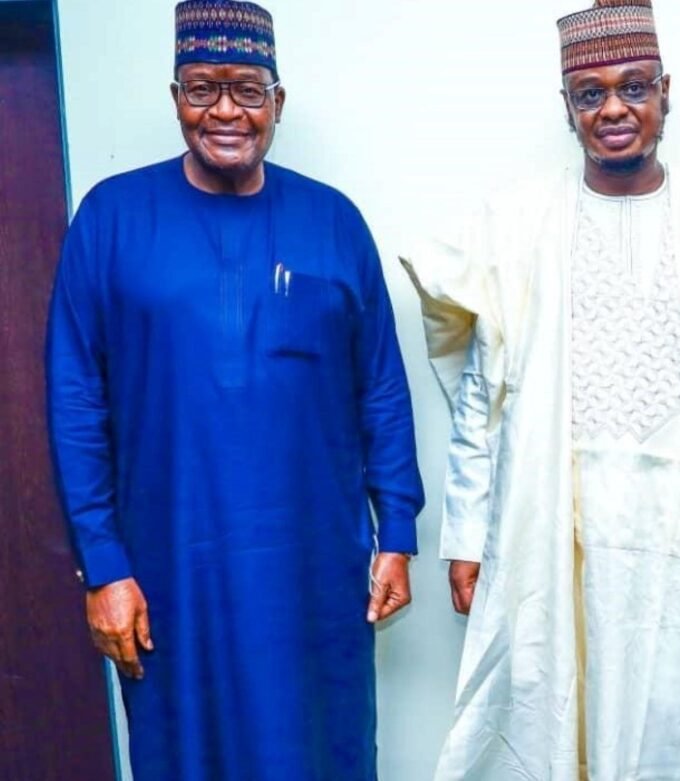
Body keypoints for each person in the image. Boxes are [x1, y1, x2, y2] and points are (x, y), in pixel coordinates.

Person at [400, 1, 680, 778]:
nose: (615, 109)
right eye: (590, 94)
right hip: (557, 525)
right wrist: (464, 534)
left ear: (667, 91)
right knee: (552, 708)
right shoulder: (520, 222)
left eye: (634, 86)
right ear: (567, 109)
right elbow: (481, 402)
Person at [45, 2, 424, 779]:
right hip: (169, 563)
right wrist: (104, 564)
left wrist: (398, 531)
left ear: (278, 101)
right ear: (175, 95)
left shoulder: (333, 221)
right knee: (187, 750)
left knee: (323, 744)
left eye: (247, 90)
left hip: (316, 564)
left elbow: (380, 385)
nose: (225, 110)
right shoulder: (112, 218)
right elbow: (76, 399)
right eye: (203, 87)